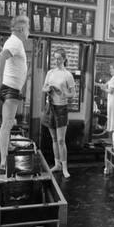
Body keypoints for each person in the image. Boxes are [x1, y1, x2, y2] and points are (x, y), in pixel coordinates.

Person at [0, 15, 30, 172]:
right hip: (10, 88)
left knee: (8, 122)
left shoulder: (14, 42)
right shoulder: (15, 42)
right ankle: (3, 161)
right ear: (22, 29)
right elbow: (1, 57)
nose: (28, 31)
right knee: (7, 124)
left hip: (11, 88)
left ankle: (7, 145)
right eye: (28, 28)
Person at [42, 48, 76, 179]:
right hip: (50, 107)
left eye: (59, 58)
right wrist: (48, 89)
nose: (56, 61)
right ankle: (57, 165)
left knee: (61, 140)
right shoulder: (50, 73)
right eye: (55, 58)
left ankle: (65, 168)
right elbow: (43, 88)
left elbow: (72, 94)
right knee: (54, 139)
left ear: (64, 59)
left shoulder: (68, 75)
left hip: (61, 108)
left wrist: (63, 92)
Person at [95, 63, 114, 151]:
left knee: (113, 120)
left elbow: (110, 91)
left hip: (113, 100)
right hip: (111, 100)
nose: (110, 70)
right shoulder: (113, 78)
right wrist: (95, 84)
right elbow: (105, 85)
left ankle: (113, 142)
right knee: (111, 118)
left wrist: (103, 89)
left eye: (111, 68)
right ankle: (112, 141)